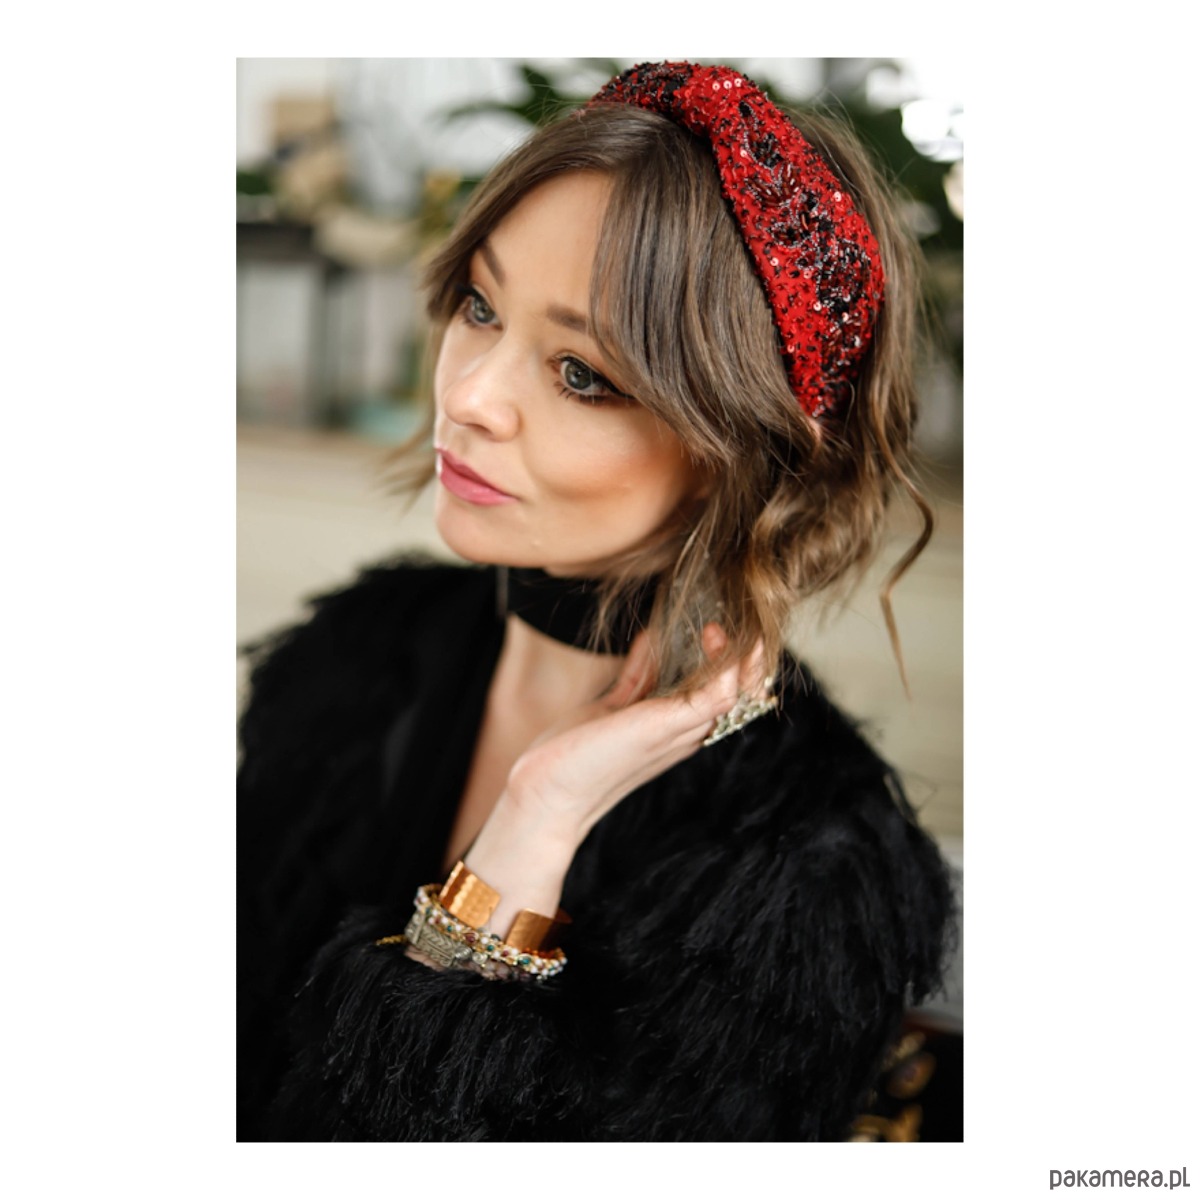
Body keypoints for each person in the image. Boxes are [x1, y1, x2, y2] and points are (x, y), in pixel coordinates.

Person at [238, 61, 954, 1142]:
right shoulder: (353, 656)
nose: (468, 395)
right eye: (480, 306)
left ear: (743, 450)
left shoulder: (809, 874)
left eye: (581, 374)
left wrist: (537, 820)